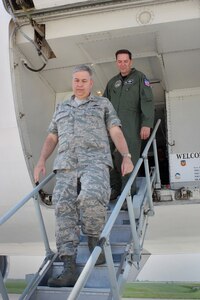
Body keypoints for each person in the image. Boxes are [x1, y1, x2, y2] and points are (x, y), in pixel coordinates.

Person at [34, 64, 134, 287]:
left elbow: (115, 130)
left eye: (83, 80)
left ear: (91, 83)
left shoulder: (102, 104)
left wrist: (126, 155)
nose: (79, 84)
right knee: (63, 211)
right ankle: (68, 268)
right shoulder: (61, 108)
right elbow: (52, 137)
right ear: (72, 82)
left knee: (91, 198)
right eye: (76, 80)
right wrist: (41, 160)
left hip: (95, 163)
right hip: (66, 166)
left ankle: (93, 242)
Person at [103, 49, 154, 200]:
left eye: (126, 61)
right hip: (112, 127)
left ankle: (128, 195)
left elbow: (147, 100)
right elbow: (104, 104)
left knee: (128, 158)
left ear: (131, 62)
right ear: (116, 63)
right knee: (109, 157)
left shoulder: (140, 78)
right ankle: (115, 188)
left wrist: (146, 123)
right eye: (120, 61)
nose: (123, 64)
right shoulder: (112, 82)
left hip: (131, 125)